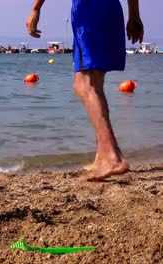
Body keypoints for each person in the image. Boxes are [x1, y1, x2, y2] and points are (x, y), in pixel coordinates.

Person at [26, 0, 144, 181]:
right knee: (96, 83)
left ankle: (112, 157)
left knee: (83, 84)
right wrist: (134, 15)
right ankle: (101, 156)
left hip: (88, 10)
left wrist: (36, 8)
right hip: (111, 7)